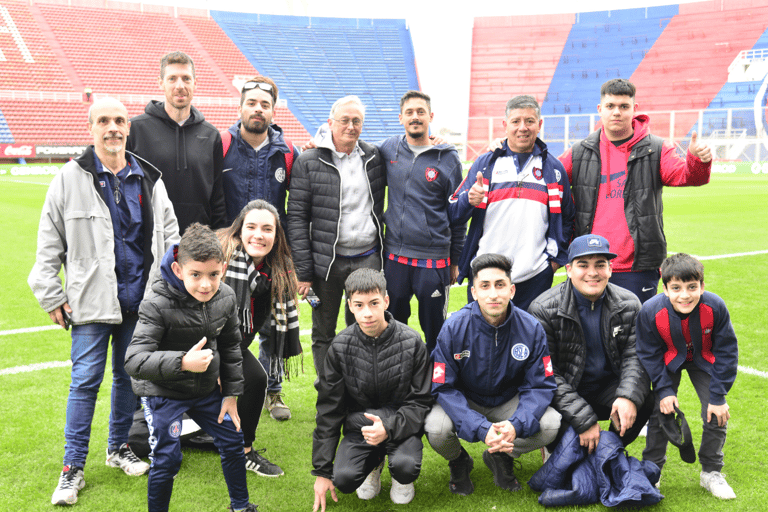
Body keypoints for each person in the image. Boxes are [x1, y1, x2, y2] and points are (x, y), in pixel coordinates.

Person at [28, 97, 179, 506]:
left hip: (140, 301)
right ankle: (72, 467)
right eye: (103, 121)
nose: (112, 128)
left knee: (128, 379)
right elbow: (48, 245)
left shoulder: (149, 177)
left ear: (128, 127)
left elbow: (171, 238)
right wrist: (52, 295)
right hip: (91, 303)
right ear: (91, 127)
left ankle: (117, 449)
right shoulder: (69, 178)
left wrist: (166, 291)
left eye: (119, 121)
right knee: (84, 383)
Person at [124, 223, 257, 512]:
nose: (206, 284)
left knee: (234, 439)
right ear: (178, 269)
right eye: (195, 274)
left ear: (222, 267)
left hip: (206, 392)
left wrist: (231, 394)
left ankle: (241, 506)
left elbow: (233, 347)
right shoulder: (156, 302)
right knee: (168, 459)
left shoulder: (226, 297)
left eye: (213, 274)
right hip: (164, 394)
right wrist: (183, 362)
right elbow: (133, 360)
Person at [559, 78, 712, 303]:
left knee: (635, 334)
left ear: (634, 109)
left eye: (624, 106)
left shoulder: (656, 149)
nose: (617, 112)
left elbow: (686, 176)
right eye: (610, 106)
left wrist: (697, 161)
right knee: (586, 334)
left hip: (637, 266)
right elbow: (547, 178)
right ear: (600, 110)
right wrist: (505, 151)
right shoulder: (579, 152)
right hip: (589, 265)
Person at [425, 253, 561, 495]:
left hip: (507, 401)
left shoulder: (531, 328)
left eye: (500, 285)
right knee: (436, 429)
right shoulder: (454, 327)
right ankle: (459, 461)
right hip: (467, 400)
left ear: (512, 290)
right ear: (474, 292)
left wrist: (516, 425)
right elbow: (443, 386)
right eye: (485, 286)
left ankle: (501, 454)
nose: (493, 294)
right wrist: (478, 427)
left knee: (551, 424)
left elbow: (541, 386)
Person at [312, 269, 432, 511]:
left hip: (401, 425)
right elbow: (329, 409)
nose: (367, 313)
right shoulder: (339, 347)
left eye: (374, 303)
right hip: (361, 427)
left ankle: (400, 476)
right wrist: (322, 470)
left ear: (386, 301)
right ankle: (375, 461)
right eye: (359, 305)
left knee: (406, 467)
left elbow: (421, 401)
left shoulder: (412, 341)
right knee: (344, 480)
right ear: (350, 306)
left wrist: (388, 428)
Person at [528, 234, 654, 455]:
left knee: (645, 400)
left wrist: (627, 396)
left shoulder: (630, 303)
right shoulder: (542, 309)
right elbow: (547, 374)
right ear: (568, 269)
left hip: (607, 389)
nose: (593, 273)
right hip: (566, 391)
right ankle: (563, 449)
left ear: (610, 269)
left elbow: (636, 357)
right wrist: (583, 419)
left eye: (600, 265)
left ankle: (608, 451)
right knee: (570, 457)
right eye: (583, 265)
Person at [287, 95, 386, 377]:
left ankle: (359, 386)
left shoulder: (375, 157)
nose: (351, 126)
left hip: (367, 258)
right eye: (344, 120)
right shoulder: (308, 161)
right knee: (323, 331)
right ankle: (328, 392)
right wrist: (303, 272)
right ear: (330, 123)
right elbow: (296, 218)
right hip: (326, 263)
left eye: (357, 121)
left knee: (364, 327)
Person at [222, 76, 301, 420]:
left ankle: (273, 389)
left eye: (264, 104)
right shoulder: (221, 144)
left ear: (272, 111)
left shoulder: (288, 153)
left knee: (272, 324)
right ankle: (227, 388)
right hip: (231, 252)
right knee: (230, 324)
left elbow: (296, 207)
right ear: (240, 107)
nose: (257, 109)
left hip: (272, 251)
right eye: (251, 103)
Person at [450, 95, 574, 312]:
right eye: (516, 121)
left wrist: (552, 264)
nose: (523, 128)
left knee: (531, 342)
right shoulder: (485, 163)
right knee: (484, 343)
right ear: (505, 125)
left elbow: (568, 219)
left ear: (539, 124)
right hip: (486, 276)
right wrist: (469, 200)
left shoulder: (554, 170)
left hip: (535, 277)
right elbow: (453, 213)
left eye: (529, 121)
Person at [636, 253, 738, 499]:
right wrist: (663, 390)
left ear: (702, 286)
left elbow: (727, 352)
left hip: (703, 359)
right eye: (676, 288)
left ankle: (711, 471)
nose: (685, 295)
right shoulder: (650, 311)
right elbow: (648, 354)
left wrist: (718, 395)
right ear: (665, 289)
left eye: (692, 287)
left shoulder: (715, 306)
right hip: (668, 361)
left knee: (716, 412)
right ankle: (652, 469)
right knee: (662, 410)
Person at [378, 90, 465, 353]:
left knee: (435, 329)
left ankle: (437, 384)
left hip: (434, 257)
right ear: (401, 118)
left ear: (430, 117)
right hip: (395, 256)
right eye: (409, 113)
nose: (415, 117)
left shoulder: (447, 158)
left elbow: (458, 212)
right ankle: (399, 379)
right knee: (393, 326)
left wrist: (455, 259)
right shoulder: (388, 149)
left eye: (420, 112)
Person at [219, 200, 301, 476]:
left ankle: (244, 451)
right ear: (239, 230)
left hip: (234, 345)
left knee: (255, 378)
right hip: (199, 342)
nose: (259, 235)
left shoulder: (277, 269)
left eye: (268, 229)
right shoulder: (222, 258)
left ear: (277, 236)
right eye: (251, 227)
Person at [126, 51, 226, 232]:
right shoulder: (135, 129)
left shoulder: (211, 135)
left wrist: (219, 237)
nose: (180, 86)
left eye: (186, 79)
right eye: (172, 79)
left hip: (198, 241)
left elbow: (218, 198)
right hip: (149, 237)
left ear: (195, 83)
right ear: (161, 83)